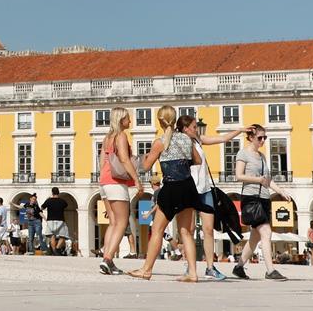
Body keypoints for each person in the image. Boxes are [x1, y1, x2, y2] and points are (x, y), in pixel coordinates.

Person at [128, 110, 201, 282]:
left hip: (171, 188)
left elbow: (145, 167)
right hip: (188, 186)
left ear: (160, 122)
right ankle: (193, 273)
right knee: (186, 233)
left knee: (157, 230)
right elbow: (198, 161)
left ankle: (146, 270)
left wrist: (139, 159)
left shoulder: (159, 143)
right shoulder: (186, 139)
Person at [231, 124, 291, 282]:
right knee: (266, 232)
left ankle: (239, 267)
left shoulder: (262, 157)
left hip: (264, 199)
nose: (263, 140)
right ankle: (270, 270)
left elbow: (267, 180)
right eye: (260, 137)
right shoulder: (243, 153)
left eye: (265, 137)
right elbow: (238, 175)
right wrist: (258, 180)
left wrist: (280, 191)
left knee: (254, 238)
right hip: (251, 198)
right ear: (251, 137)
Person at [189, 122, 245, 281]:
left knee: (208, 229)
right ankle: (190, 265)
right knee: (189, 229)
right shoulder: (182, 143)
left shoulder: (199, 140)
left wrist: (239, 130)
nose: (197, 129)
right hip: (189, 189)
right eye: (194, 127)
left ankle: (210, 267)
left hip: (205, 189)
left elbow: (222, 139)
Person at [99, 108, 141, 275]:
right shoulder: (121, 136)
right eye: (127, 119)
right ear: (120, 119)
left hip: (105, 181)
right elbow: (124, 159)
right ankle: (108, 259)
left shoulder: (107, 137)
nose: (130, 122)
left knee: (114, 223)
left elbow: (102, 161)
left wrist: (103, 180)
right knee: (122, 222)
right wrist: (136, 179)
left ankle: (107, 258)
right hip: (116, 182)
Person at [42, 188, 70, 255]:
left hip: (50, 220)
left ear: (52, 193)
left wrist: (48, 200)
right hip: (60, 220)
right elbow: (66, 205)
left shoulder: (48, 201)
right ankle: (57, 248)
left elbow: (42, 208)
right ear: (58, 193)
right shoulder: (62, 201)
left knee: (52, 235)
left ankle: (54, 250)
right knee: (63, 235)